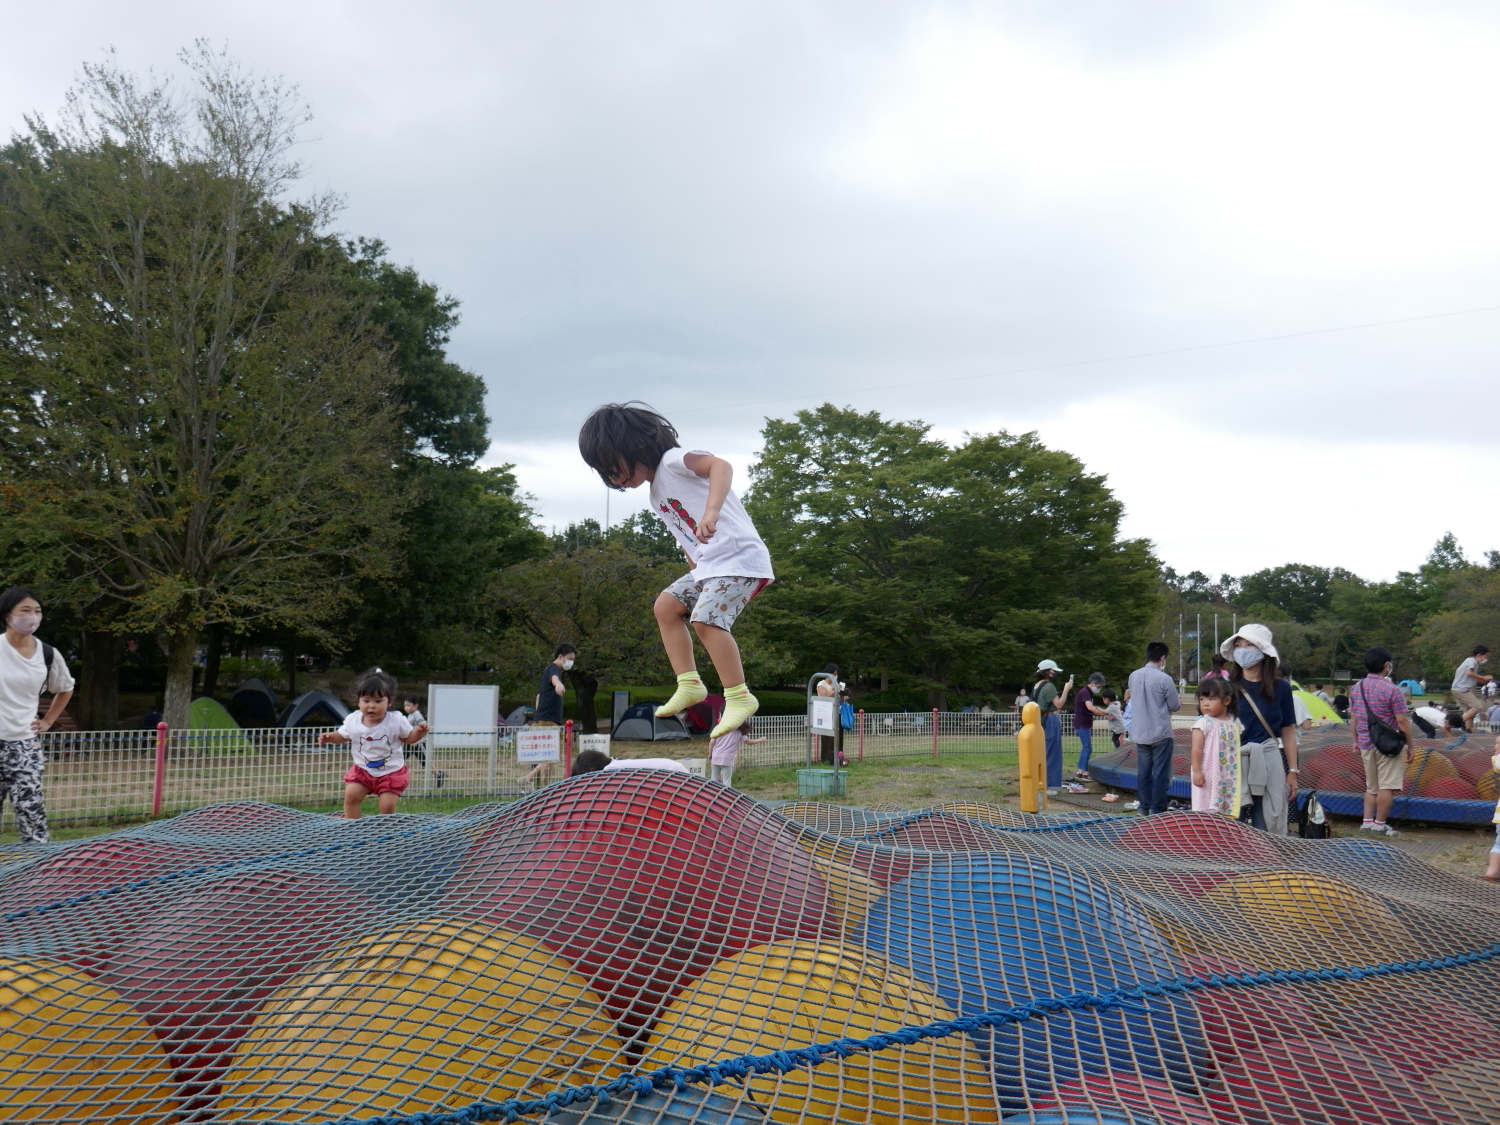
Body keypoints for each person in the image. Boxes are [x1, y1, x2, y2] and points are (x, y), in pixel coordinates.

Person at [579, 402, 772, 738]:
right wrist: (694, 563)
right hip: (711, 564)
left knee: (706, 619)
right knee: (666, 606)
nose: (612, 476)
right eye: (604, 471)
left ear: (634, 446)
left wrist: (712, 512)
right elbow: (683, 534)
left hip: (739, 557)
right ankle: (689, 683)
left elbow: (720, 466)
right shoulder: (655, 495)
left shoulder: (673, 461)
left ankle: (739, 697)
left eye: (612, 465)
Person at [0, 588, 74, 844]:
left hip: (24, 745)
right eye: (25, 610)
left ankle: (37, 876)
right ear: (8, 616)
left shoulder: (48, 654)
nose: (32, 617)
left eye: (37, 611)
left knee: (31, 814)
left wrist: (48, 721)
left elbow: (65, 688)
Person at [319, 668, 428, 818]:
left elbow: (408, 737)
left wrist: (418, 733)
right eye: (366, 701)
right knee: (351, 797)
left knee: (387, 806)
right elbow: (343, 735)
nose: (371, 705)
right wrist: (330, 737)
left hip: (390, 772)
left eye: (378, 701)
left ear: (389, 702)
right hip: (363, 771)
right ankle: (352, 830)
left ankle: (385, 835)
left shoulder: (395, 720)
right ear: (358, 701)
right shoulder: (353, 720)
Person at [1222, 624, 1299, 836]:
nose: (1243, 649)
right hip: (1232, 761)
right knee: (1231, 822)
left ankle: (1266, 864)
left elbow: (1288, 731)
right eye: (1238, 645)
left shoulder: (1281, 688)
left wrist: (1293, 771)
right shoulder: (1225, 687)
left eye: (1249, 644)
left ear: (1263, 650)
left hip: (1268, 760)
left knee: (1266, 821)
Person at [1349, 646, 1413, 838]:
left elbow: (1354, 717)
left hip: (1366, 743)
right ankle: (1380, 824)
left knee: (1372, 786)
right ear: (1386, 665)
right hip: (1388, 744)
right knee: (1387, 786)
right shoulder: (1392, 690)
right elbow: (1402, 721)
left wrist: (1355, 741)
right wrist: (1411, 745)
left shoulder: (1356, 688)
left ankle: (1366, 823)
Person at [1127, 642, 1180, 816]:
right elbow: (1174, 705)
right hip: (1160, 732)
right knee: (1160, 773)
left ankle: (1143, 807)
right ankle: (1157, 808)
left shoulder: (1133, 676)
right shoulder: (1164, 679)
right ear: (1162, 658)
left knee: (1143, 771)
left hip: (1140, 731)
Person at [524, 643, 575, 788]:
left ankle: (535, 784)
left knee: (549, 757)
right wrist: (558, 685)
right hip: (547, 721)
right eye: (570, 658)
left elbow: (540, 695)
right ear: (561, 657)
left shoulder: (550, 670)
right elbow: (555, 679)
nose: (571, 662)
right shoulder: (553, 668)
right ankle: (536, 785)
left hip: (546, 719)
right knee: (550, 756)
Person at [1189, 677, 1242, 816]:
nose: (1205, 703)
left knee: (1225, 806)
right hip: (1207, 773)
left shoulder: (1234, 722)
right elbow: (1196, 748)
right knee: (1205, 808)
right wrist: (1197, 771)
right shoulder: (1203, 722)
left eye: (1211, 699)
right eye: (1202, 699)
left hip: (1227, 774)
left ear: (1226, 701)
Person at [1032, 660, 1073, 794]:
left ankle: (1040, 782)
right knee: (1052, 752)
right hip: (1049, 719)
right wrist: (1066, 689)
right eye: (1053, 671)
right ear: (1047, 671)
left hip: (1039, 719)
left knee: (1041, 752)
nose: (1054, 673)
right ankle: (1050, 785)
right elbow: (1059, 704)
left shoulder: (1037, 685)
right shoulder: (1049, 686)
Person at [1069, 673, 1108, 789]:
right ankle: (1083, 771)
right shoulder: (1085, 693)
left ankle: (1081, 770)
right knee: (1087, 747)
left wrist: (1104, 713)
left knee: (1086, 747)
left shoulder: (1087, 692)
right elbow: (1090, 708)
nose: (1099, 689)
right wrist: (1105, 715)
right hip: (1082, 723)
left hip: (1083, 723)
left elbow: (1093, 707)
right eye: (1099, 686)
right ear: (1092, 683)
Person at [708, 719, 766, 788]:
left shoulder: (719, 727)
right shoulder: (739, 731)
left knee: (713, 780)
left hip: (715, 757)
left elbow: (712, 742)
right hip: (727, 759)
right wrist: (760, 740)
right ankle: (726, 797)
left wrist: (710, 754)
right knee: (726, 782)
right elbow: (748, 742)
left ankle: (712, 796)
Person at [1452, 645, 1492, 732]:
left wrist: (1483, 679)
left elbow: (1476, 678)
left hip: (1460, 689)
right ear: (1478, 655)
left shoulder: (1470, 662)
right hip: (1461, 690)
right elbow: (1469, 673)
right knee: (1477, 707)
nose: (1485, 660)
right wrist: (1484, 677)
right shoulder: (1472, 661)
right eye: (1485, 657)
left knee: (1470, 711)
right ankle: (1456, 723)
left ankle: (1468, 730)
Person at [573, 750, 693, 774]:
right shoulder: (616, 764)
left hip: (673, 772)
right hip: (674, 767)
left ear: (592, 771)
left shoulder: (609, 771)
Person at [816, 664, 840, 765]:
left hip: (835, 711)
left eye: (836, 674)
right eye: (833, 674)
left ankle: (835, 757)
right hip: (825, 713)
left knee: (835, 736)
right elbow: (824, 696)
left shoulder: (835, 684)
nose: (835, 676)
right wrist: (835, 690)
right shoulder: (821, 684)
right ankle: (825, 758)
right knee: (826, 737)